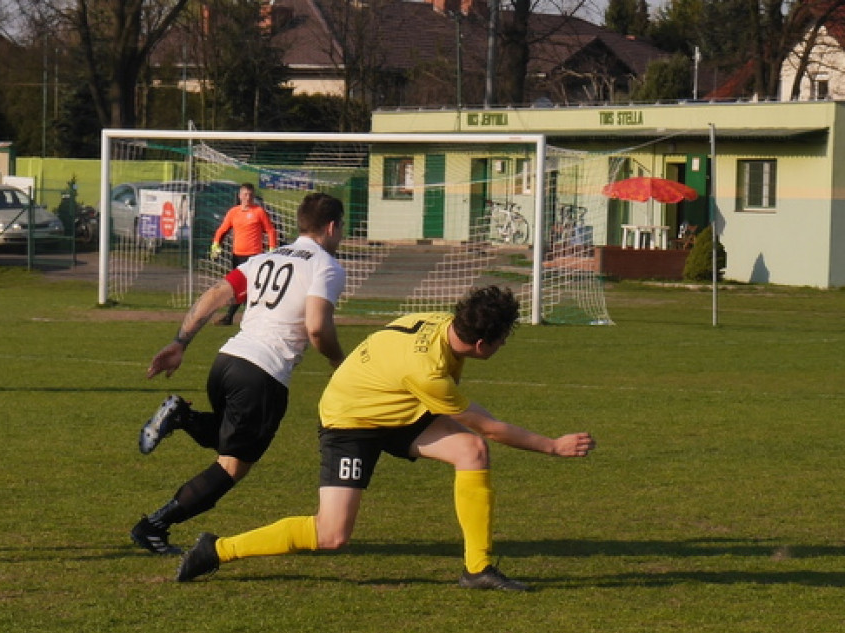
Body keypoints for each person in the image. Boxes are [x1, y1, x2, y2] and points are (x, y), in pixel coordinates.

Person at [175, 285, 596, 590]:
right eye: (503, 339)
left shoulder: (442, 326)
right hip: (351, 421)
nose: (505, 344)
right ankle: (218, 549)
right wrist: (553, 446)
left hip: (396, 406)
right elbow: (484, 422)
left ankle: (478, 568)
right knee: (332, 534)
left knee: (471, 452)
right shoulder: (426, 370)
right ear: (483, 342)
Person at [130, 192, 347, 555]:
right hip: (263, 373)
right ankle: (152, 527)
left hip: (227, 361)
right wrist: (339, 361)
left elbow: (217, 293)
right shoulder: (325, 265)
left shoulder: (265, 258)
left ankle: (182, 415)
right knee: (231, 467)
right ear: (331, 226)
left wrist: (180, 341)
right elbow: (317, 328)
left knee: (227, 440)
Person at [210, 182, 278, 326]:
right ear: (240, 196)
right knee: (240, 288)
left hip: (254, 256)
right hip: (237, 256)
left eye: (250, 195)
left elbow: (270, 230)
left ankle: (234, 317)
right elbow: (222, 230)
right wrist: (216, 245)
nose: (248, 197)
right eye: (245, 194)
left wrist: (272, 249)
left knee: (250, 287)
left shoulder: (258, 211)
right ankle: (240, 317)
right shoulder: (233, 212)